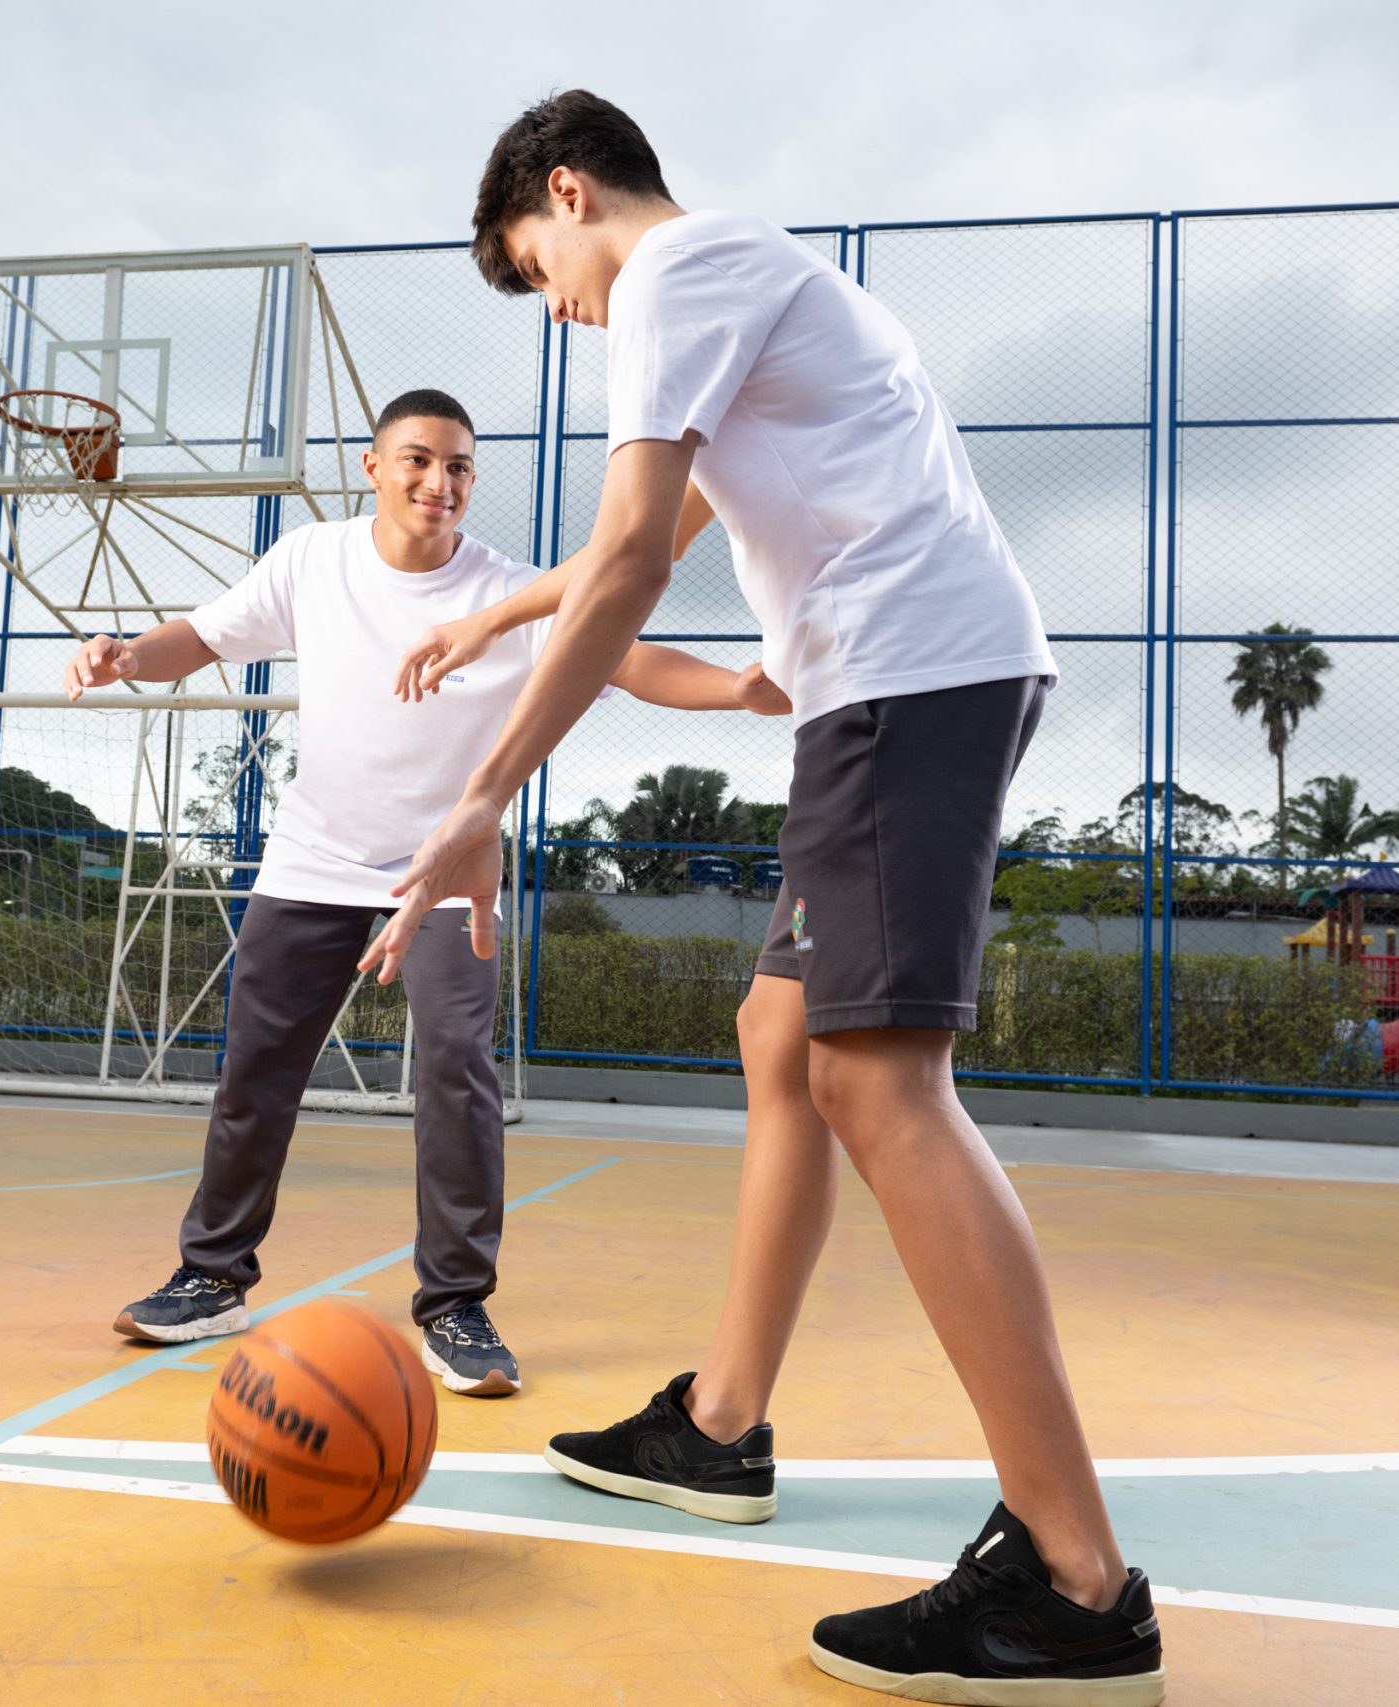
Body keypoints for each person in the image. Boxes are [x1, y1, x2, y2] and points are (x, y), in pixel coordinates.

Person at [362, 95, 1163, 1702]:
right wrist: (513, 602)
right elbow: (645, 544)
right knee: (783, 1038)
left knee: (879, 1079)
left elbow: (640, 552)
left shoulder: (675, 277)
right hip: (895, 675)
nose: (563, 306)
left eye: (543, 269)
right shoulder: (739, 284)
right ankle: (722, 1423)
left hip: (903, 678)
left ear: (569, 193)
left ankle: (1080, 1579)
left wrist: (477, 801)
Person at [64, 385, 781, 1399]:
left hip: (446, 875)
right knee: (256, 1070)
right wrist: (127, 658)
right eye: (416, 460)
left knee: (455, 1072)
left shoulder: (510, 593)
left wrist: (737, 688)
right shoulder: (312, 560)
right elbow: (205, 636)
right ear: (372, 466)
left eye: (456, 466)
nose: (437, 482)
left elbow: (621, 660)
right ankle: (212, 1275)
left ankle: (454, 1305)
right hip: (314, 859)